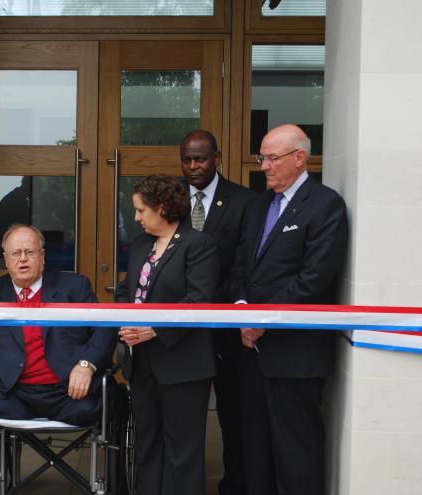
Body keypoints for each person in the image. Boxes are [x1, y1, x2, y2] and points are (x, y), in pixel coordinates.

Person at [231, 124, 348, 495]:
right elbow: (239, 267)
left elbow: (313, 280)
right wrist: (241, 311)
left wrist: (261, 319)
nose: (263, 166)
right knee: (255, 452)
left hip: (295, 356)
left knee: (295, 455)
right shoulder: (257, 205)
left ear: (300, 159)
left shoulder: (325, 204)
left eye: (271, 158)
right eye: (261, 157)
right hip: (251, 352)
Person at [116, 174, 219, 495]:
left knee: (182, 453)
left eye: (140, 210)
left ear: (162, 208)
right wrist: (125, 320)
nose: (135, 217)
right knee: (147, 446)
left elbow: (198, 300)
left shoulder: (199, 245)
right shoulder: (141, 245)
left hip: (184, 366)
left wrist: (154, 330)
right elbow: (124, 290)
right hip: (143, 364)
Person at [0, 224, 116, 426]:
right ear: (6, 258)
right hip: (15, 394)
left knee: (92, 410)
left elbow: (104, 329)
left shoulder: (74, 287)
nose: (23, 259)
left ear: (43, 256)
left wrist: (86, 366)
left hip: (69, 392)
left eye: (30, 252)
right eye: (15, 253)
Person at [180, 129, 256, 495]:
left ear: (218, 159)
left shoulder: (243, 201)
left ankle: (235, 486)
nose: (193, 166)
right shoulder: (171, 197)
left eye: (201, 158)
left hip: (226, 328)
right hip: (179, 331)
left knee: (233, 415)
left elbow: (245, 263)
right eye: (187, 160)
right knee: (182, 416)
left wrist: (224, 305)